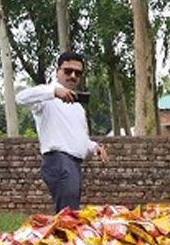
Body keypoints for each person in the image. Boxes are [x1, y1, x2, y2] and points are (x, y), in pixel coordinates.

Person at [15, 51, 108, 213]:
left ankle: (63, 237)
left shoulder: (78, 107)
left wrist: (94, 147)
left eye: (77, 73)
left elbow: (80, 138)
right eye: (68, 71)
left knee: (69, 213)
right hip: (58, 160)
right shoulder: (46, 95)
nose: (72, 76)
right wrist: (53, 93)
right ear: (58, 71)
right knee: (68, 215)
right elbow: (21, 98)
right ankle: (63, 238)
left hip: (74, 164)